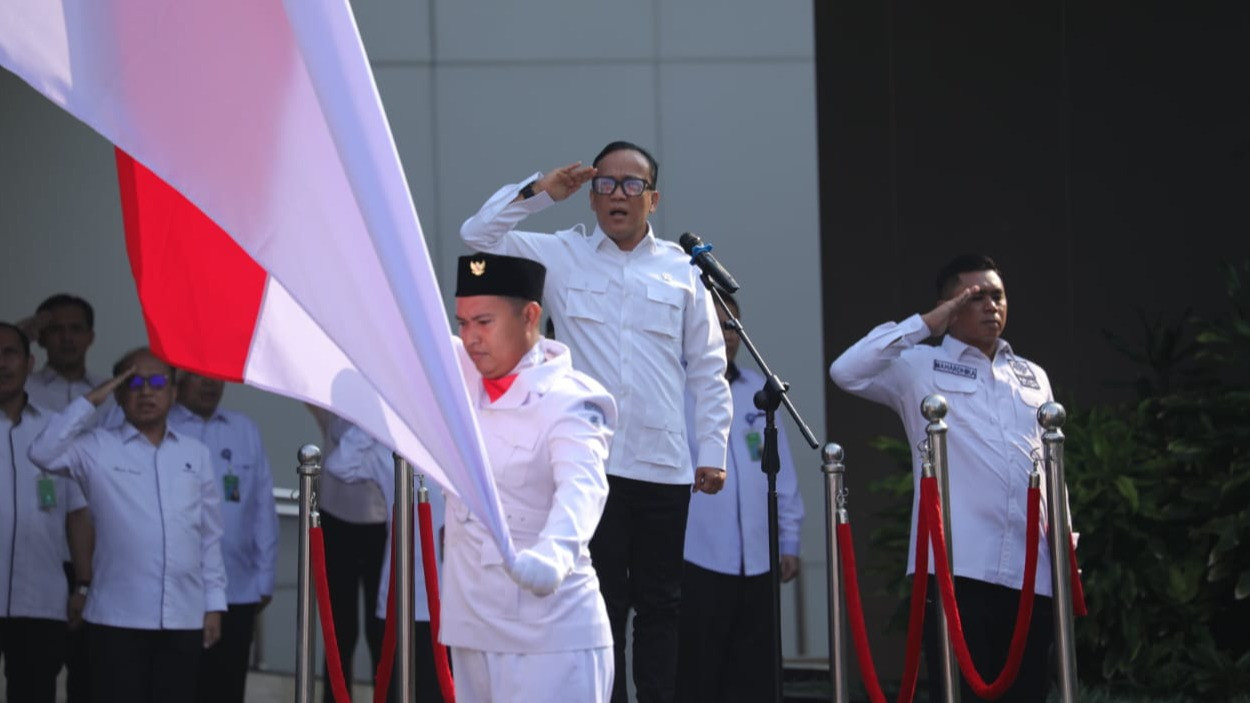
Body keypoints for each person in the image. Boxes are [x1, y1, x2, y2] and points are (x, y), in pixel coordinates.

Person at [460, 141, 732, 702]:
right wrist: (540, 192)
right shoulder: (561, 256)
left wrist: (714, 450)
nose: (617, 195)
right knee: (599, 601)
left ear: (652, 199)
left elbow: (708, 368)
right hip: (590, 466)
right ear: (589, 197)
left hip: (663, 466)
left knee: (662, 604)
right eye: (604, 184)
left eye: (631, 185)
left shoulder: (684, 272)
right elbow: (478, 237)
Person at [828, 254, 1058, 702]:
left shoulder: (1032, 375)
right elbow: (846, 370)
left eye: (998, 296)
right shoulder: (918, 364)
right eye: (975, 297)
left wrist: (1064, 543)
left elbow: (1049, 464)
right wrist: (926, 323)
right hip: (959, 568)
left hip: (1032, 570)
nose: (991, 305)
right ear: (948, 305)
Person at [440, 252, 616, 702]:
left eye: (484, 322)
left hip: (549, 635)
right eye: (462, 323)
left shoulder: (568, 401)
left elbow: (583, 488)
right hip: (473, 626)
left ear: (530, 316)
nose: (471, 338)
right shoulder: (459, 372)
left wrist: (554, 555)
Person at [28, 347, 227, 703]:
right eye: (134, 382)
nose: (146, 391)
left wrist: (214, 604)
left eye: (157, 382)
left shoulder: (194, 453)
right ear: (118, 393)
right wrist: (93, 399)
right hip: (117, 619)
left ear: (174, 392)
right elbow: (42, 451)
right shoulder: (96, 448)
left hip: (183, 616)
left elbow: (209, 536)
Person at [676, 293, 805, 702]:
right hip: (697, 555)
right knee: (699, 671)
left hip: (760, 558)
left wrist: (788, 539)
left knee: (755, 674)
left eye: (732, 325)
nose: (726, 335)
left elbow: (780, 471)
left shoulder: (759, 391)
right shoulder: (676, 388)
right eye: (715, 325)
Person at [19, 293, 111, 703]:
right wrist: (21, 333)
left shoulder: (110, 395)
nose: (67, 338)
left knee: (90, 674)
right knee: (32, 674)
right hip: (37, 551)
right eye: (56, 329)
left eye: (76, 329)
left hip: (98, 552)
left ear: (91, 336)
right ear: (41, 339)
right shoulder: (23, 388)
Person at [169, 372, 279, 703]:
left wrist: (265, 579)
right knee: (176, 686)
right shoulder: (161, 426)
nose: (209, 384)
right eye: (197, 377)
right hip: (176, 589)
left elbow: (262, 507)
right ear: (176, 381)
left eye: (215, 377)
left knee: (226, 687)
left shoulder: (244, 429)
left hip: (237, 587)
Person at [323, 421, 447, 703]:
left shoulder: (460, 451)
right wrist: (375, 415)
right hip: (398, 604)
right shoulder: (393, 449)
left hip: (452, 608)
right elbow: (341, 464)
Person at [0, 322, 89, 703]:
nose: (1, 363)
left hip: (40, 599)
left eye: (9, 353)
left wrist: (83, 585)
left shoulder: (57, 428)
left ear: (29, 362)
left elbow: (78, 514)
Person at [307, 408, 390, 699]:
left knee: (380, 630)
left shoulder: (389, 395)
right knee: (338, 630)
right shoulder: (331, 394)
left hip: (381, 524)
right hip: (335, 517)